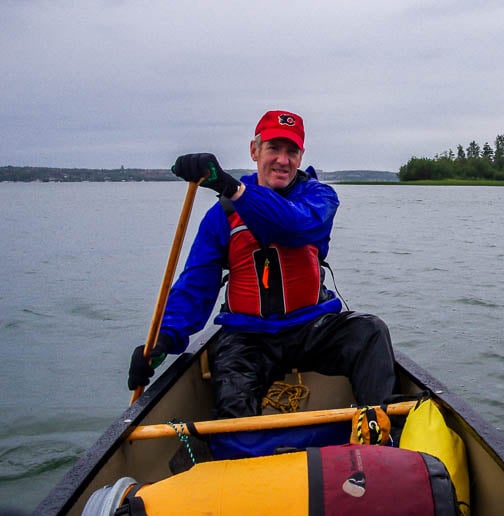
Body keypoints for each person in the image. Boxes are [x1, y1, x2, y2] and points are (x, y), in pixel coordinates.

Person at [127, 110, 396, 419]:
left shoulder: (320, 197)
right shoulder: (220, 216)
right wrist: (162, 339)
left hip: (311, 328)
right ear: (254, 150)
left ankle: (380, 428)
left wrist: (234, 189)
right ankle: (247, 458)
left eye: (291, 151)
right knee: (231, 406)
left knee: (370, 331)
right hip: (248, 337)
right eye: (274, 149)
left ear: (300, 156)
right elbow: (195, 287)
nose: (283, 160)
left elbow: (291, 227)